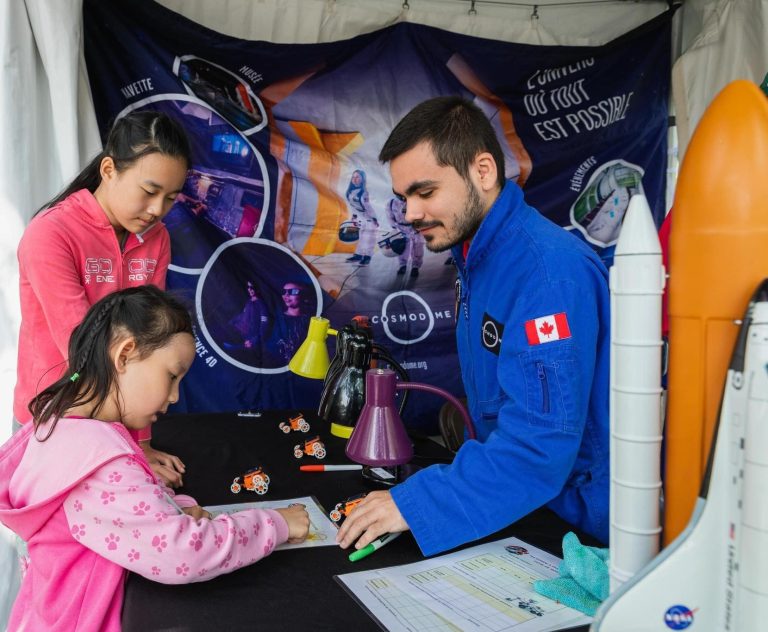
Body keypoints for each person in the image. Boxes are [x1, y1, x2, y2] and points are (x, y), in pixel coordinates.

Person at [337, 96, 610, 557]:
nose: (410, 214)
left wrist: (419, 504)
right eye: (404, 198)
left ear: (483, 172)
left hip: (574, 523)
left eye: (425, 192)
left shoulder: (548, 275)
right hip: (518, 501)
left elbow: (540, 447)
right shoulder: (478, 256)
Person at [0, 286, 310, 631]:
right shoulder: (98, 461)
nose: (175, 396)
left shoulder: (58, 425)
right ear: (125, 355)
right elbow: (184, 552)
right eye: (172, 376)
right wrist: (275, 524)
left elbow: (118, 512)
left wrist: (173, 509)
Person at [14, 110, 191, 487]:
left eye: (171, 198)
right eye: (149, 191)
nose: (158, 210)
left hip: (115, 422)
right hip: (54, 419)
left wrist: (140, 444)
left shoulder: (156, 238)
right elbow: (82, 346)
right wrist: (131, 450)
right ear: (109, 170)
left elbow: (152, 347)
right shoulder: (51, 233)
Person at [344, 169, 379, 266]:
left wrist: (374, 218)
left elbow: (369, 207)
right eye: (353, 177)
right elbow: (351, 206)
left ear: (362, 179)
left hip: (369, 219)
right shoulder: (349, 192)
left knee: (368, 239)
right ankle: (358, 255)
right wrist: (354, 217)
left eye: (357, 177)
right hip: (359, 218)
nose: (355, 179)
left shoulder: (364, 193)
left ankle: (367, 257)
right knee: (361, 238)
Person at [384, 196, 425, 278]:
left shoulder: (415, 201)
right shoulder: (391, 203)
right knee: (402, 247)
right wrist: (395, 227)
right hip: (401, 228)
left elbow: (422, 214)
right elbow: (390, 217)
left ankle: (415, 267)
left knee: (418, 247)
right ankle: (402, 265)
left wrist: (419, 226)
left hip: (414, 228)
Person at [273, 281, 312, 362]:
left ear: (303, 294)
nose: (286, 295)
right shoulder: (277, 319)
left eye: (292, 291)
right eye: (284, 292)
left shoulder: (310, 319)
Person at [229, 279, 272, 351]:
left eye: (252, 287)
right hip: (240, 333)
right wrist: (232, 322)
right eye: (248, 287)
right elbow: (243, 315)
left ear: (257, 288)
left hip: (249, 338)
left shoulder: (261, 304)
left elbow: (264, 325)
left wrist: (253, 340)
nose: (249, 289)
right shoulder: (248, 302)